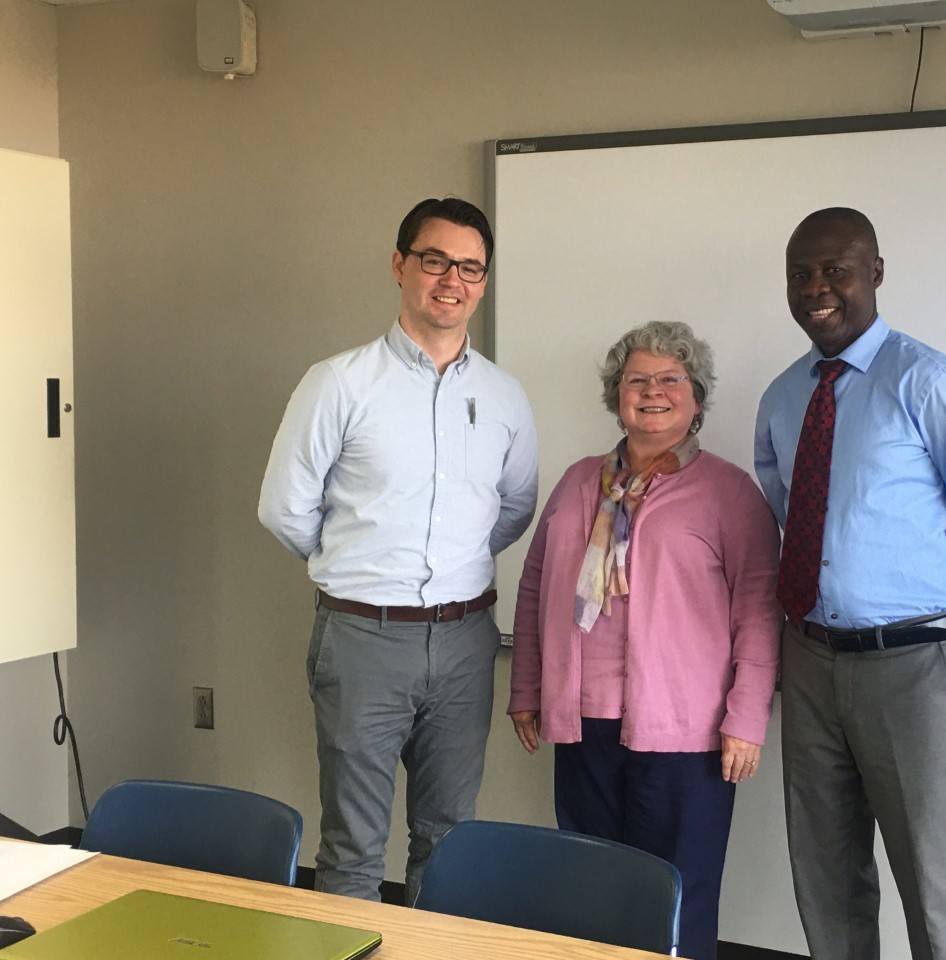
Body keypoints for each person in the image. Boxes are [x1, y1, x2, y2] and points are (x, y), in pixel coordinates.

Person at [755, 207, 946, 960]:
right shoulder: (782, 396)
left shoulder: (928, 380)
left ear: (874, 272)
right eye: (801, 273)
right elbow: (784, 508)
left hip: (914, 669)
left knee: (940, 895)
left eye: (836, 269)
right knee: (827, 882)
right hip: (807, 661)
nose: (818, 287)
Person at [258, 197, 538, 904]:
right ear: (400, 265)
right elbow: (284, 508)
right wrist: (358, 563)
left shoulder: (504, 396)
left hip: (466, 639)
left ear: (484, 280)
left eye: (470, 267)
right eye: (435, 259)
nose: (452, 279)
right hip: (361, 637)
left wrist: (453, 564)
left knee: (448, 841)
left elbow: (513, 507)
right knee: (352, 848)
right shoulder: (340, 383)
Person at [508, 321, 780, 960]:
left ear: (696, 397)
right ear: (617, 394)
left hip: (687, 734)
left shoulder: (730, 492)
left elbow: (760, 614)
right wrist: (527, 688)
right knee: (595, 890)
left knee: (679, 894)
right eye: (637, 380)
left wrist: (746, 719)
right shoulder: (579, 483)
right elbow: (534, 588)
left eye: (670, 380)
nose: (653, 391)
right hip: (584, 723)